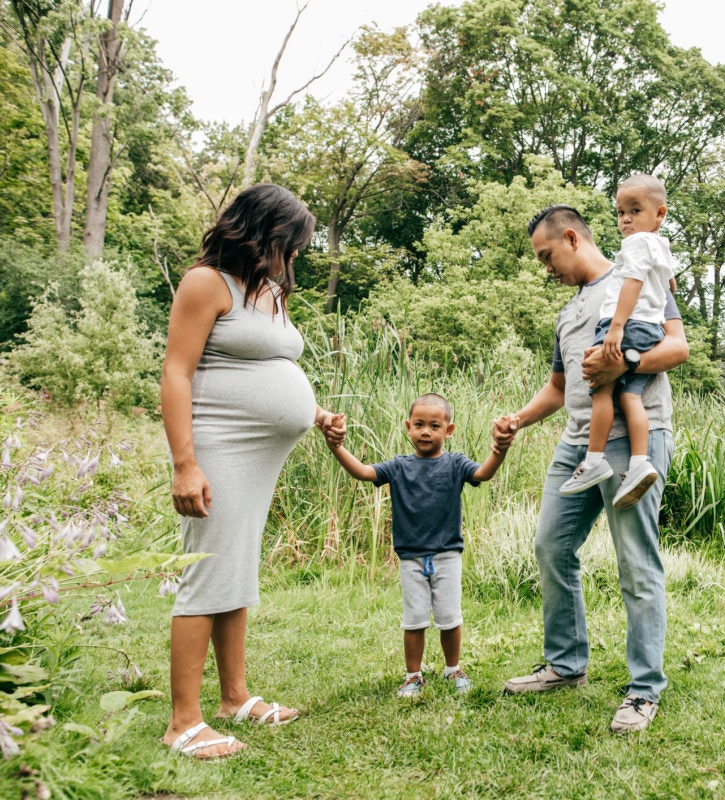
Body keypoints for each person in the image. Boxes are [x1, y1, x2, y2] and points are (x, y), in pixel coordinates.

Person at [159, 183, 345, 760]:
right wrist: (186, 465)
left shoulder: (267, 292)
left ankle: (233, 697)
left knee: (235, 571)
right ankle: (183, 722)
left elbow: (271, 365)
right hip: (219, 447)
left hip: (261, 457)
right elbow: (176, 374)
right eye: (288, 244)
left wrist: (313, 414)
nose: (292, 257)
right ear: (260, 232)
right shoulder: (205, 283)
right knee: (207, 574)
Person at [499, 204, 688, 734]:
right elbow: (560, 390)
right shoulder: (566, 313)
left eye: (547, 256)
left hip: (635, 438)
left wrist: (625, 362)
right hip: (577, 445)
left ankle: (644, 689)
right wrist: (518, 419)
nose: (546, 268)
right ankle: (565, 664)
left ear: (572, 237)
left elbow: (678, 347)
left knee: (636, 562)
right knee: (550, 546)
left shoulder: (638, 276)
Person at [325, 393, 513, 697]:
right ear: (407, 427)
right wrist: (337, 448)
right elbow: (363, 472)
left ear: (448, 430)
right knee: (413, 620)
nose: (426, 431)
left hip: (447, 556)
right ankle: (413, 676)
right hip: (411, 558)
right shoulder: (398, 466)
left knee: (450, 617)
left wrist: (499, 450)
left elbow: (483, 473)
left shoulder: (455, 463)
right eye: (419, 424)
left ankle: (453, 669)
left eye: (434, 426)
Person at [558, 174, 677, 510]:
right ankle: (640, 463)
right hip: (648, 326)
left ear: (660, 213)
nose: (626, 218)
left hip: (627, 322)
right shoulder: (659, 243)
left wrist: (616, 328)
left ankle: (595, 460)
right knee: (629, 394)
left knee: (600, 386)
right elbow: (668, 280)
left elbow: (633, 282)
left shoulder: (636, 244)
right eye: (621, 211)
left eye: (635, 210)